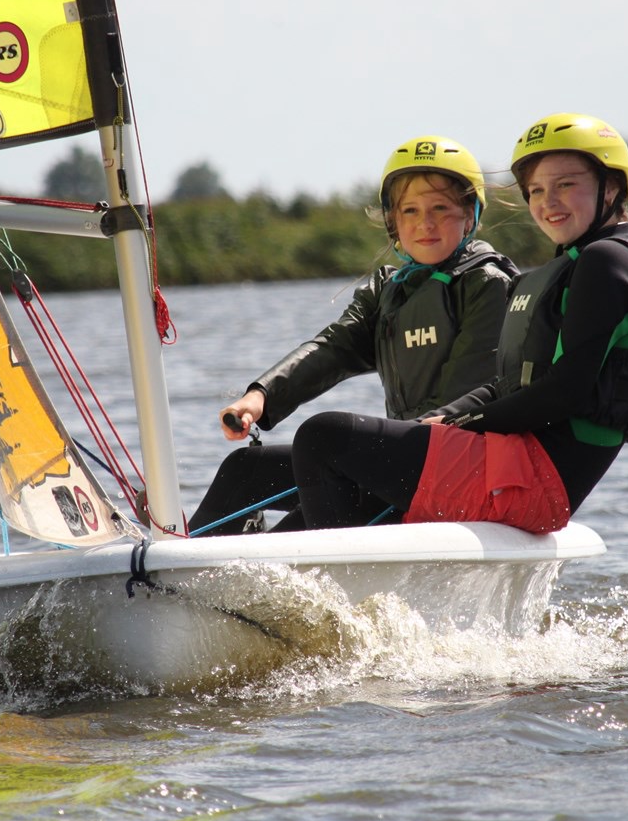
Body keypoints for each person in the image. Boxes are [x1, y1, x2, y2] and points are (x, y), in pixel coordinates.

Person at [286, 113, 628, 533]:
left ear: (612, 186)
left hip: (531, 480)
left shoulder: (608, 261)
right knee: (326, 481)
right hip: (514, 465)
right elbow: (511, 385)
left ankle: (340, 590)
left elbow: (567, 390)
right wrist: (444, 418)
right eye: (536, 190)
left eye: (566, 185)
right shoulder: (578, 265)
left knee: (322, 437)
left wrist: (464, 424)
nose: (548, 202)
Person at [188, 136, 518, 535]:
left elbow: (467, 393)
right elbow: (334, 348)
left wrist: (381, 456)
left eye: (440, 209)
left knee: (325, 444)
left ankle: (317, 583)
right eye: (409, 210)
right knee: (244, 470)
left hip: (451, 468)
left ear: (470, 214)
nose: (424, 223)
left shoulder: (487, 284)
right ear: (393, 220)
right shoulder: (387, 289)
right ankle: (180, 576)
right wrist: (260, 396)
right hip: (397, 464)